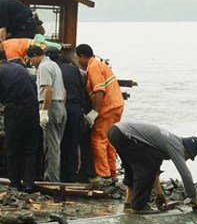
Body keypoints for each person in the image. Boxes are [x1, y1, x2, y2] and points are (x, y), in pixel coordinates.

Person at [108, 121, 197, 213]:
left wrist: (160, 194)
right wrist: (195, 198)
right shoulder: (177, 146)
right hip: (125, 135)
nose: (186, 159)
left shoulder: (164, 143)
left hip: (116, 131)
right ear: (186, 150)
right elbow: (185, 174)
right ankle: (139, 207)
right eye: (188, 157)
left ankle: (128, 203)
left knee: (133, 167)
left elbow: (155, 171)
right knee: (145, 169)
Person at [0, 49, 40, 192]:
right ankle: (29, 184)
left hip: (14, 111)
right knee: (30, 148)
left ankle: (15, 183)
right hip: (33, 111)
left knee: (12, 147)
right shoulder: (21, 69)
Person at [75, 44, 124, 185]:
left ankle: (104, 175)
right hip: (117, 105)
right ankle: (112, 173)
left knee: (98, 139)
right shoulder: (100, 65)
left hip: (107, 108)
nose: (78, 62)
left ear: (83, 56)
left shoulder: (93, 67)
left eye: (78, 58)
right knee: (110, 140)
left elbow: (99, 90)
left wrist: (94, 112)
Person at [26, 45, 66, 182]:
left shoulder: (43, 67)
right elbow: (64, 90)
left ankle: (51, 180)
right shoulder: (54, 65)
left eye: (31, 59)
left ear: (36, 55)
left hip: (51, 106)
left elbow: (48, 90)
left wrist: (44, 111)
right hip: (60, 105)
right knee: (56, 145)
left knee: (51, 147)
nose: (31, 62)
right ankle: (54, 176)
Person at [56, 47, 89, 182]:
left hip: (62, 106)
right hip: (76, 108)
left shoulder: (55, 70)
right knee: (74, 142)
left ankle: (60, 173)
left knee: (60, 140)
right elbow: (82, 90)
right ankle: (71, 174)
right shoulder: (75, 70)